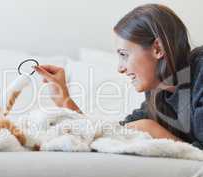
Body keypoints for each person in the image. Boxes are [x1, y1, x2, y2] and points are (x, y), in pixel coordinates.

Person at [34, 4, 203, 149]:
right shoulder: (159, 94)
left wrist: (153, 130)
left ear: (157, 49)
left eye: (124, 54)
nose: (120, 68)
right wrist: (63, 99)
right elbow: (111, 133)